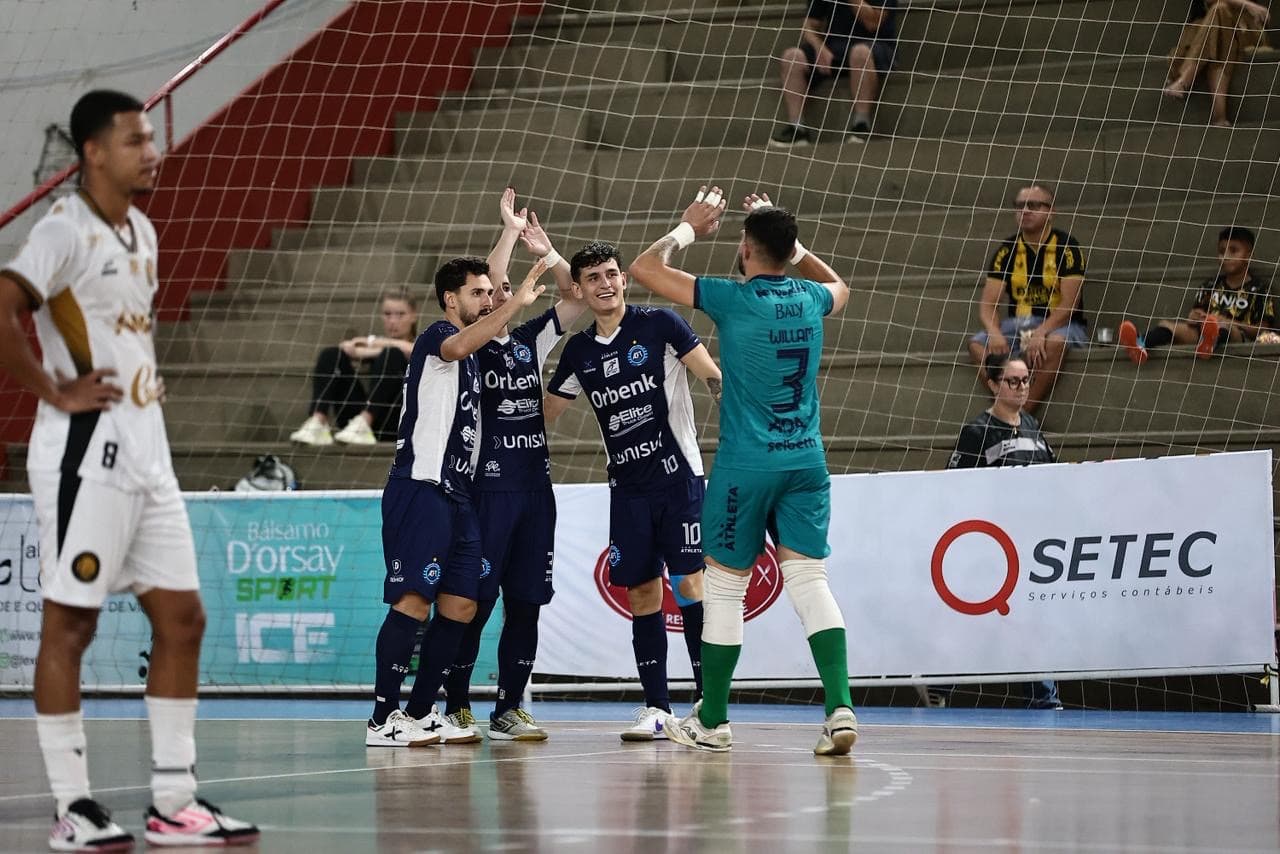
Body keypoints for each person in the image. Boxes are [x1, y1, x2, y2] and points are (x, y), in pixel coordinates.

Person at [0, 90, 259, 849]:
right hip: (88, 452)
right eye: (136, 140)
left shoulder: (141, 229)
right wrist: (54, 390)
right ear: (93, 152)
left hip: (150, 449)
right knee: (71, 624)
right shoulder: (62, 229)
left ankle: (174, 803)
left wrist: (143, 378)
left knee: (183, 620)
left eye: (152, 138)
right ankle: (73, 808)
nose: (153, 152)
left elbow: (118, 332)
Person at [628, 187, 858, 756]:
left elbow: (643, 269)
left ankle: (713, 720)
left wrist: (688, 227)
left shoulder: (732, 298)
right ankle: (840, 709)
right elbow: (842, 286)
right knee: (810, 582)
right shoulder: (810, 297)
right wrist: (793, 247)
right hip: (806, 461)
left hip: (746, 466)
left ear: (748, 249)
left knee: (726, 589)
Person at [365, 255, 547, 748]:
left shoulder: (473, 353)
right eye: (478, 293)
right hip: (420, 486)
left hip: (459, 494)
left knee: (462, 605)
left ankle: (421, 712)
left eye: (491, 292)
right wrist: (517, 301)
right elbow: (466, 337)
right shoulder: (437, 338)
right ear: (450, 299)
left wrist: (508, 234)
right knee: (413, 600)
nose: (488, 300)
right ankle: (382, 719)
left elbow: (482, 307)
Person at [543, 241, 719, 742]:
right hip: (627, 489)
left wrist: (738, 414)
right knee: (642, 592)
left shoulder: (660, 324)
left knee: (689, 586)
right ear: (580, 289)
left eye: (611, 274)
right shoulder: (579, 351)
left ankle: (709, 704)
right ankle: (656, 708)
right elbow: (545, 413)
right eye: (593, 278)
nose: (605, 284)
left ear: (624, 279)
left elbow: (711, 374)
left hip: (679, 479)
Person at [440, 189, 584, 741]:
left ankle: (508, 708)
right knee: (474, 604)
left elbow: (574, 294)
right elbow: (492, 285)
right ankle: (456, 704)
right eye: (489, 291)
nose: (499, 294)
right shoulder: (469, 345)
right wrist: (505, 235)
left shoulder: (530, 340)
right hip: (485, 494)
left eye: (502, 288)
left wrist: (547, 252)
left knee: (527, 604)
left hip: (535, 493)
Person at [940, 353, 1062, 709]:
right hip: (990, 547)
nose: (1022, 387)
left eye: (1026, 380)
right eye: (1013, 381)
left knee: (1031, 618)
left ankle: (1043, 696)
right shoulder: (976, 432)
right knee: (973, 620)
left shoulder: (1033, 426)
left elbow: (1055, 477)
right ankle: (939, 683)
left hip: (1031, 545)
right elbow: (953, 486)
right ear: (994, 384)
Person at [967, 182, 1088, 415]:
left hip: (1062, 324)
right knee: (977, 344)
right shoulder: (1007, 250)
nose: (1025, 211)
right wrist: (994, 331)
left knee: (1055, 342)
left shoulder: (1068, 247)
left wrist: (1041, 332)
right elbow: (988, 305)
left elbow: (1070, 305)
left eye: (1033, 205)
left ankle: (1021, 415)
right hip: (1018, 324)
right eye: (1020, 206)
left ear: (1051, 211)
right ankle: (1011, 409)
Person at [1119, 226, 1274, 364]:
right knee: (1167, 325)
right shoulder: (1210, 285)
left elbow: (1262, 330)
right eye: (1221, 251)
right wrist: (1194, 317)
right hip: (1202, 335)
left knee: (1224, 326)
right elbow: (1195, 315)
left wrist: (1225, 320)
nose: (1225, 256)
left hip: (1238, 337)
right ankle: (1140, 344)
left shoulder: (1260, 289)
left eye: (1233, 251)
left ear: (1248, 255)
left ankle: (1212, 342)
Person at [289, 287, 419, 446]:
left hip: (397, 423)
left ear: (413, 316)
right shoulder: (381, 347)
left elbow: (412, 349)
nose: (392, 321)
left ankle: (365, 422)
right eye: (387, 314)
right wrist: (372, 349)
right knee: (332, 354)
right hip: (358, 423)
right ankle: (318, 421)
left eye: (400, 315)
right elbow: (347, 347)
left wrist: (371, 344)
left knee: (392, 354)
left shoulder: (426, 342)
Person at [768, 0, 898, 148]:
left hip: (876, 46)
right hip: (834, 48)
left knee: (859, 53)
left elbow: (873, 23)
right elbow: (809, 24)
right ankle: (797, 128)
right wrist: (819, 47)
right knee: (791, 57)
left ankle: (861, 125)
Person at [1163, 0, 1271, 128]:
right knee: (1219, 17)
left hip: (1244, 27)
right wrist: (1246, 4)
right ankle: (1219, 116)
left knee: (1219, 11)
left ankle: (1185, 80)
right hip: (1209, 28)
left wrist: (1247, 6)